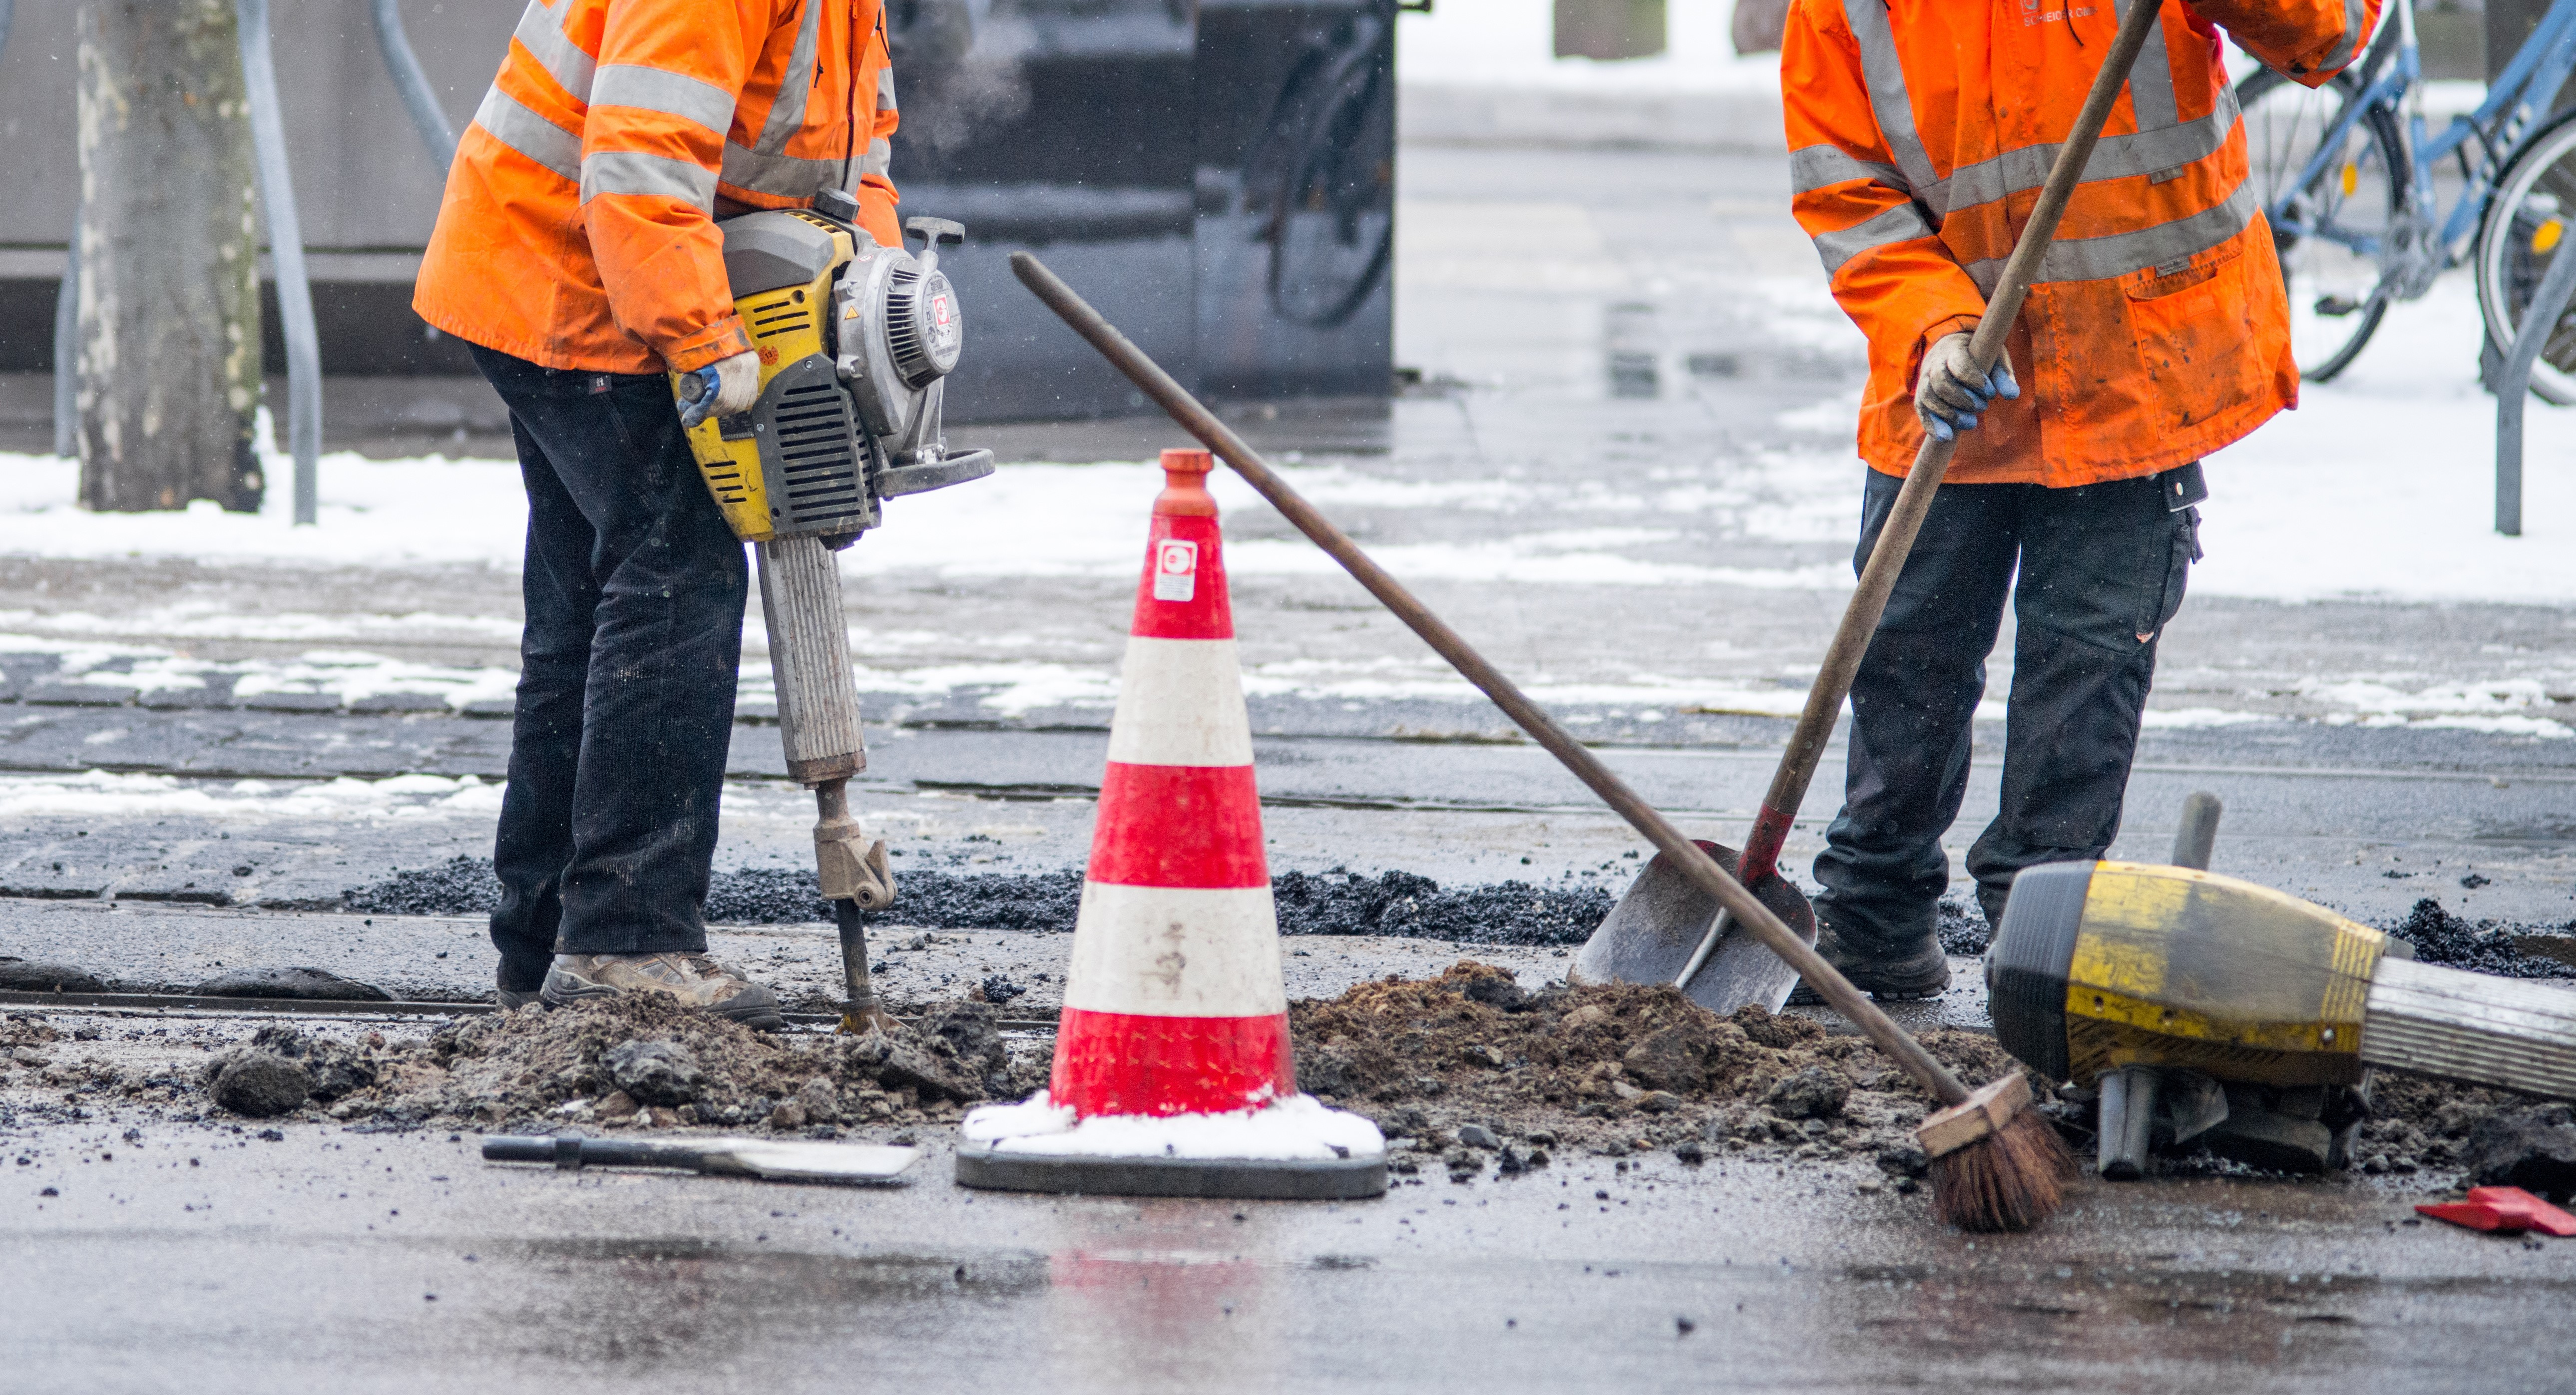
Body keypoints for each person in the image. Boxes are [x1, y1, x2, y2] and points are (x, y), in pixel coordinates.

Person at [1780, 0, 2377, 997]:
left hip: (2135, 372)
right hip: (1953, 384)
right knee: (1906, 656)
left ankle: (2039, 944)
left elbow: (2324, 34)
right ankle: (1873, 923)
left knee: (2083, 673)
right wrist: (1929, 323)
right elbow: (1842, 181)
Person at [413, 0, 908, 1026]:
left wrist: (861, 336)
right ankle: (625, 942)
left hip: (565, 267)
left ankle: (547, 937)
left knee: (593, 607)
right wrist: (706, 342)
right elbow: (637, 165)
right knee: (677, 574)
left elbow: (851, 173)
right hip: (580, 282)